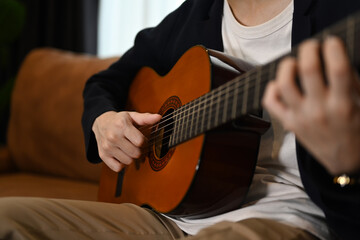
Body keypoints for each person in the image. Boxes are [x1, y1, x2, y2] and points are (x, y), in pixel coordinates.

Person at [0, 0, 359, 239]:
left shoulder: (341, 14)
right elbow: (107, 81)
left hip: (280, 217)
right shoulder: (199, 11)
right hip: (168, 217)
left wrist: (347, 164)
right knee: (8, 218)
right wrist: (104, 120)